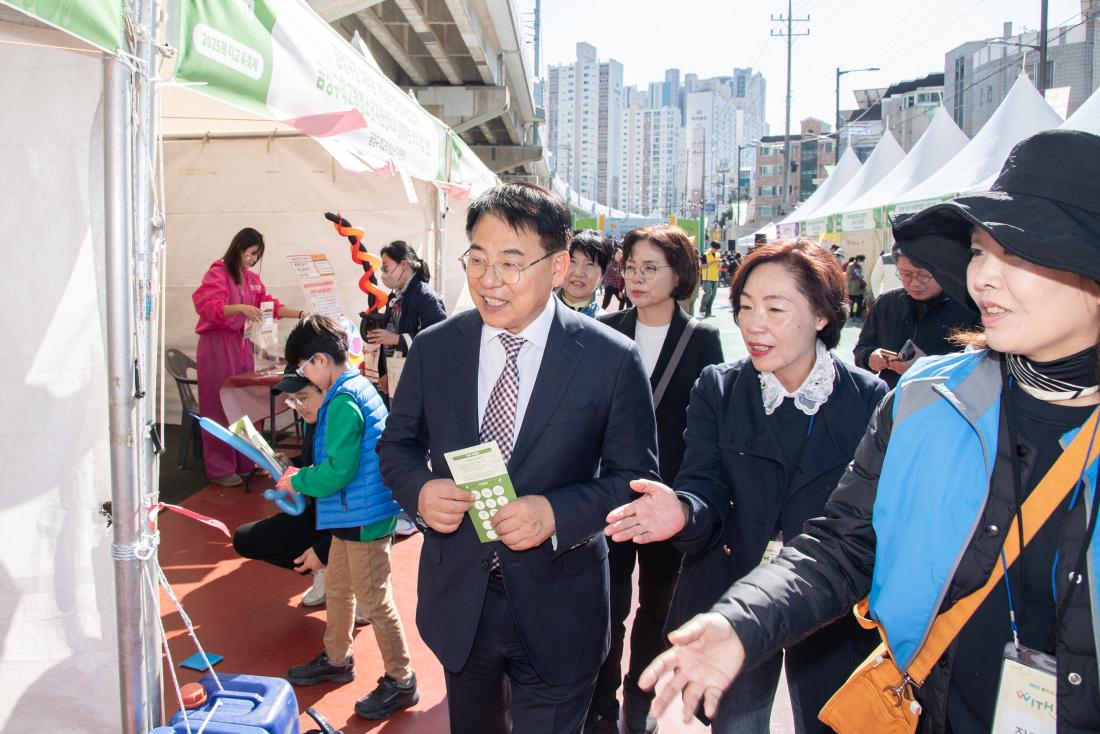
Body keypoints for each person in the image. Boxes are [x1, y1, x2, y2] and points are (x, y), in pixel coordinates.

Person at [639, 129, 1100, 733]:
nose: (984, 277)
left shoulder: (874, 394)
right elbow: (847, 543)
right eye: (981, 252)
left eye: (1015, 253)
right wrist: (739, 623)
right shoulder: (928, 397)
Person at [376, 182, 660, 734]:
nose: (488, 280)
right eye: (476, 260)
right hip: (462, 599)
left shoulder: (610, 358)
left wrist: (557, 513)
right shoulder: (437, 347)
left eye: (510, 263)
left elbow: (636, 480)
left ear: (558, 268)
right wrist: (418, 490)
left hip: (561, 602)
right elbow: (398, 446)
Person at [606, 239, 886, 733]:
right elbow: (703, 487)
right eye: (746, 308)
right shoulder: (720, 387)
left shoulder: (868, 398)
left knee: (828, 720)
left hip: (830, 605)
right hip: (736, 593)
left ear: (822, 315)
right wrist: (684, 512)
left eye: (776, 309)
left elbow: (868, 521)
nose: (754, 325)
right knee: (738, 722)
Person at [589, 225, 724, 734]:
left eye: (652, 268)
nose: (637, 277)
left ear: (680, 274)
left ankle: (638, 706)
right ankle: (602, 703)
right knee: (608, 606)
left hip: (670, 501)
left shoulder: (702, 340)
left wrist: (691, 497)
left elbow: (708, 429)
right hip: (610, 495)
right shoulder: (605, 328)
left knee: (656, 610)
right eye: (631, 266)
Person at [279, 316, 418, 721]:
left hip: (363, 517)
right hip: (351, 513)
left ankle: (402, 678)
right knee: (339, 589)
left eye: (302, 368)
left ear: (320, 360)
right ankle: (337, 658)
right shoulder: (353, 387)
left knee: (375, 601)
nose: (302, 377)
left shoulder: (342, 402)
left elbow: (339, 470)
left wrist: (299, 481)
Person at [192, 227, 304, 486]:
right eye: (251, 253)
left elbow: (271, 306)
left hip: (242, 345)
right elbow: (207, 306)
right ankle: (220, 468)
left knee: (244, 401)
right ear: (239, 248)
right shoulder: (218, 273)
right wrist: (240, 308)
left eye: (257, 256)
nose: (253, 259)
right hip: (217, 346)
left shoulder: (252, 279)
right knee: (219, 404)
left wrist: (300, 314)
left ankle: (246, 460)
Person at [853, 242, 980, 389]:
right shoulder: (886, 302)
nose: (914, 283)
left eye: (924, 275)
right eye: (905, 274)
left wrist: (927, 367)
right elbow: (861, 348)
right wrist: (870, 357)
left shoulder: (968, 309)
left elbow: (980, 372)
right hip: (890, 401)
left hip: (941, 404)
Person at [365, 239, 447, 394]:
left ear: (403, 264)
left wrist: (395, 339)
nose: (383, 274)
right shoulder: (396, 296)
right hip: (396, 380)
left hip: (417, 384)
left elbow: (438, 340)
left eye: (386, 267)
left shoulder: (425, 296)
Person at [559, 229, 613, 317]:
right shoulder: (537, 315)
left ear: (602, 275)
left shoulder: (607, 325)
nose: (578, 273)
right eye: (572, 261)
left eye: (590, 264)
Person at [602, 245, 630, 311]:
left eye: (621, 254)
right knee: (606, 303)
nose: (620, 256)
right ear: (614, 255)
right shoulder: (611, 263)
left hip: (616, 287)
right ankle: (599, 315)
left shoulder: (620, 264)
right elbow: (617, 272)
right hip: (610, 286)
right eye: (618, 254)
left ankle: (619, 314)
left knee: (622, 300)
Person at [700, 241, 722, 318]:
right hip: (707, 277)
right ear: (711, 247)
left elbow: (718, 268)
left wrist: (720, 265)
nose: (716, 251)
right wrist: (712, 262)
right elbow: (702, 266)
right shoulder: (705, 255)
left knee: (713, 296)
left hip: (715, 277)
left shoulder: (718, 255)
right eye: (715, 249)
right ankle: (702, 309)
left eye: (717, 249)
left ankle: (708, 312)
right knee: (708, 293)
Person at [846, 254, 867, 320]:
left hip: (859, 288)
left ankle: (857, 315)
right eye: (862, 261)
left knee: (858, 303)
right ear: (858, 260)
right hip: (852, 288)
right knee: (852, 303)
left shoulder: (860, 267)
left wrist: (861, 277)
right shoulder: (851, 265)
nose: (863, 262)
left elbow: (860, 275)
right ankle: (851, 315)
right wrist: (853, 275)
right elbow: (847, 277)